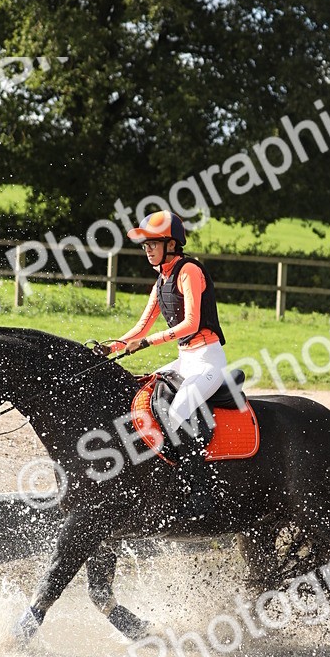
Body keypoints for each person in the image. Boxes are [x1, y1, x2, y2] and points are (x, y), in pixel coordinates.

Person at [96, 209, 228, 521]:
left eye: (153, 244)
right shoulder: (161, 280)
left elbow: (191, 322)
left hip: (207, 360)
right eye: (145, 246)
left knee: (177, 411)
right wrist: (112, 345)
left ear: (171, 244)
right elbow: (140, 328)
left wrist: (151, 342)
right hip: (185, 359)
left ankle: (201, 491)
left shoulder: (189, 272)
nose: (148, 250)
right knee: (141, 394)